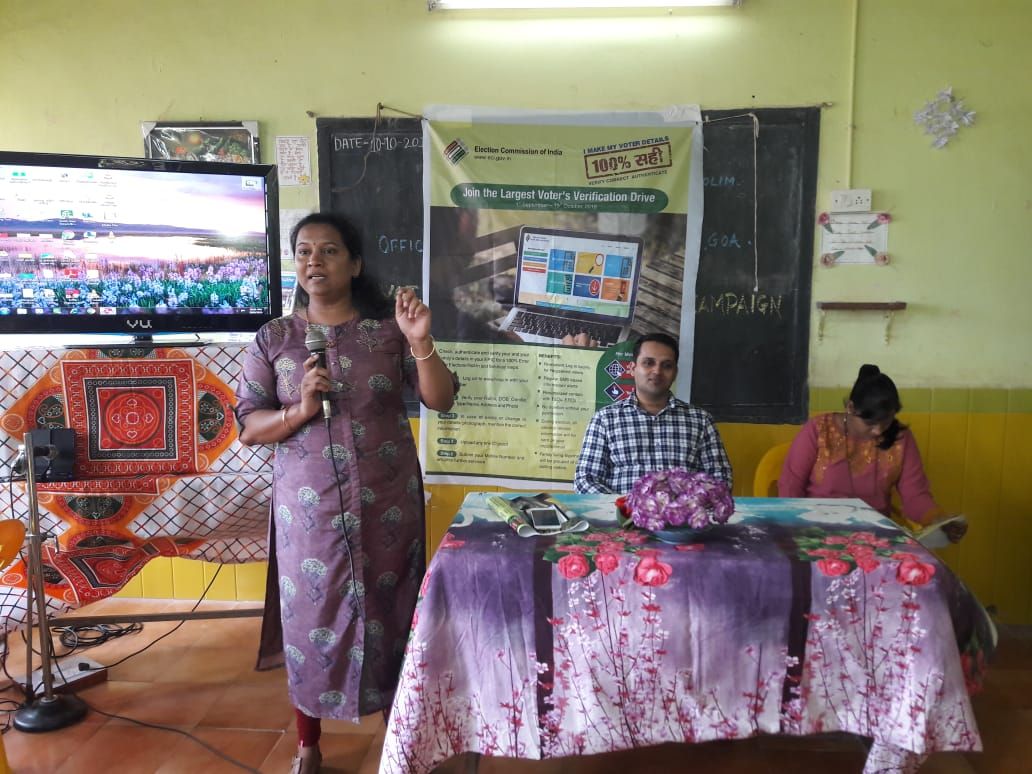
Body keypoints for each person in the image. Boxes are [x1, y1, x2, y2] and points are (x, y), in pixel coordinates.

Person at [235, 212, 457, 774]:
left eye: (329, 250)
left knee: (394, 610)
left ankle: (399, 740)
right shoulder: (275, 339)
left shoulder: (388, 331)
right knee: (311, 617)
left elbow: (441, 398)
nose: (315, 261)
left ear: (354, 264)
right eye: (304, 251)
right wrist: (300, 409)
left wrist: (422, 341)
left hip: (386, 503)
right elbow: (248, 426)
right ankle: (308, 745)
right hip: (308, 513)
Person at [778, 364, 967, 542]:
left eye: (886, 422)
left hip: (875, 537)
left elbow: (915, 495)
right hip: (817, 532)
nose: (878, 431)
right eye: (870, 423)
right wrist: (796, 531)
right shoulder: (819, 430)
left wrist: (939, 521)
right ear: (851, 408)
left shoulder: (901, 438)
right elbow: (791, 485)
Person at [574, 332, 732, 494]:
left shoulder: (700, 420)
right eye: (648, 363)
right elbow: (586, 480)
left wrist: (687, 506)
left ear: (675, 373)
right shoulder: (605, 419)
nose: (657, 371)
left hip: (684, 517)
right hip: (622, 517)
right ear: (632, 368)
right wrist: (626, 507)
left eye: (667, 365)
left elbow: (720, 478)